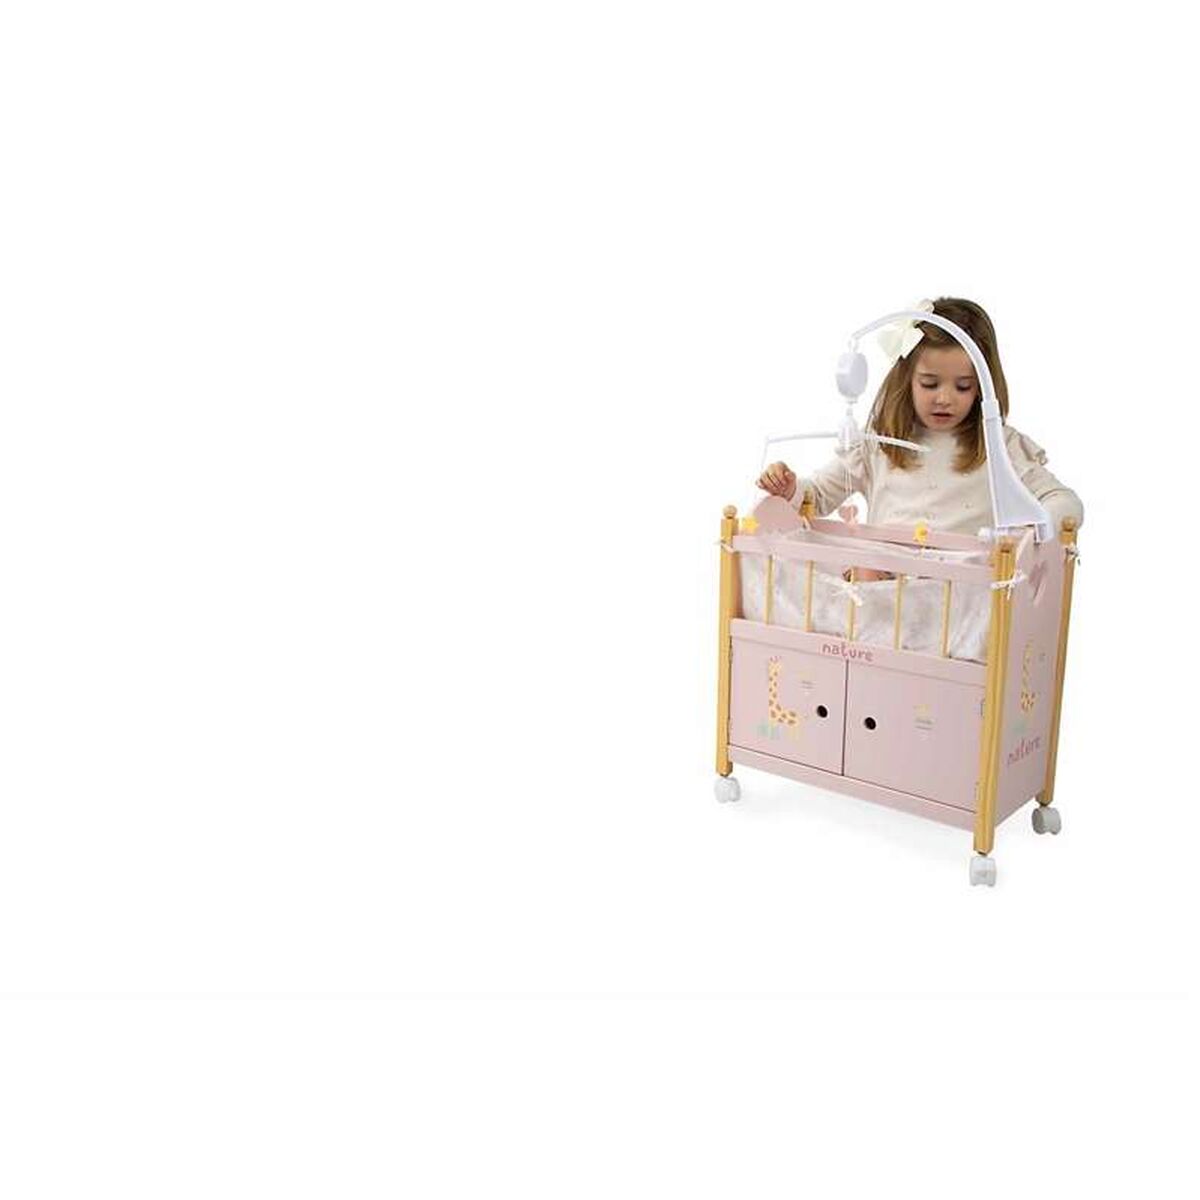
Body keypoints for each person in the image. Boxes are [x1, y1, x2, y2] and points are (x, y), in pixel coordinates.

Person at [755, 297, 1083, 580]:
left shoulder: (1000, 449)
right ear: (908, 379)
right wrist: (790, 489)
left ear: (983, 387)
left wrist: (1029, 536)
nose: (944, 398)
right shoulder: (882, 443)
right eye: (929, 383)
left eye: (963, 386)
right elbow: (819, 494)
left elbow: (1064, 502)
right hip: (886, 592)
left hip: (960, 593)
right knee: (856, 572)